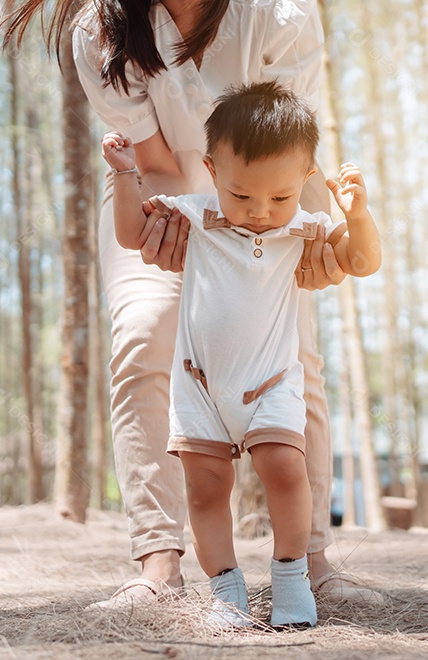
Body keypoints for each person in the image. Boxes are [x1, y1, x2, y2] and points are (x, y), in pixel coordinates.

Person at [0, 0, 382, 607]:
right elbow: (154, 161)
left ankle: (311, 561)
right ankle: (158, 563)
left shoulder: (282, 14)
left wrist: (299, 239)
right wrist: (190, 230)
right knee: (145, 332)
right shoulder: (100, 30)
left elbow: (280, 143)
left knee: (294, 352)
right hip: (158, 193)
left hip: (274, 188)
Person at [105, 81, 381, 628]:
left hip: (273, 381)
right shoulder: (197, 214)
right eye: (241, 195)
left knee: (284, 469)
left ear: (304, 183)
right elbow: (133, 235)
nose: (258, 212)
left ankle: (291, 577)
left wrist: (359, 216)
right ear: (211, 172)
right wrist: (122, 174)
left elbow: (362, 261)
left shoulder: (303, 228)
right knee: (207, 489)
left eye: (278, 198)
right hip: (199, 384)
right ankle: (226, 592)